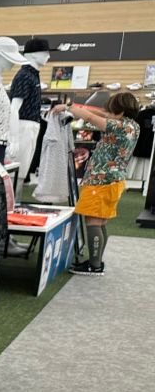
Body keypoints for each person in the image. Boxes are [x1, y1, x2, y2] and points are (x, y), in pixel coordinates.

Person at [54, 92, 141, 276]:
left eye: (113, 110)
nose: (109, 112)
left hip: (102, 181)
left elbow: (92, 118)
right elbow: (102, 114)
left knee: (93, 222)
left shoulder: (119, 126)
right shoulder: (132, 125)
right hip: (112, 181)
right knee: (100, 222)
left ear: (120, 111)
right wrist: (81, 108)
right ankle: (96, 261)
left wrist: (68, 107)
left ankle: (94, 265)